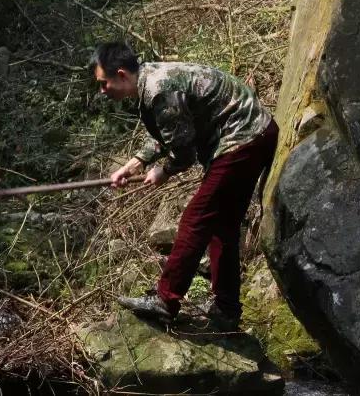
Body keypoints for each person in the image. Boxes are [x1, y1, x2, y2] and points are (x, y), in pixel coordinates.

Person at [91, 41, 278, 329]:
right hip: (254, 134)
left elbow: (183, 150)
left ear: (121, 75)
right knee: (222, 226)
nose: (102, 91)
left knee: (196, 218)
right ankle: (226, 309)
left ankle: (165, 301)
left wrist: (163, 171)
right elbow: (168, 130)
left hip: (242, 138)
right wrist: (133, 165)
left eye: (104, 84)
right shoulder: (149, 79)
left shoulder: (158, 89)